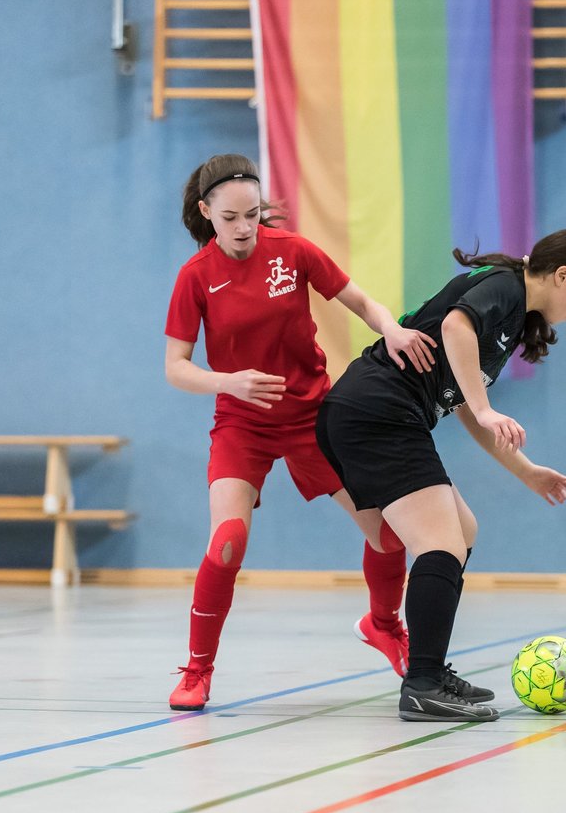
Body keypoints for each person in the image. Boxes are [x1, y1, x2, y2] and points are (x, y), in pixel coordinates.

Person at [163, 153, 437, 711]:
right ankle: (197, 670)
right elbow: (176, 367)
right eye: (232, 217)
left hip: (313, 417)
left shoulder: (292, 252)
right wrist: (229, 382)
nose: (244, 227)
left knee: (389, 536)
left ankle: (384, 625)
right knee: (226, 544)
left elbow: (359, 300)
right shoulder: (195, 278)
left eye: (253, 213)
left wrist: (391, 328)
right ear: (206, 213)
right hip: (241, 423)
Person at [316, 228, 566, 721]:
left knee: (461, 532)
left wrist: (527, 472)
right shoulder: (505, 285)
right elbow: (456, 328)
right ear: (562, 276)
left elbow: (465, 410)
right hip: (376, 412)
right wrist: (487, 404)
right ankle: (422, 683)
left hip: (377, 414)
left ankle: (429, 669)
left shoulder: (513, 317)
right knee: (441, 544)